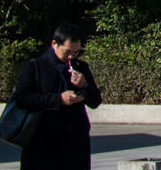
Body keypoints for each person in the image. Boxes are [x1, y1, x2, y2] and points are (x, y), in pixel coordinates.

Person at [12, 22, 102, 170]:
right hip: (42, 142)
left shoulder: (80, 67)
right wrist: (58, 99)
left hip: (75, 143)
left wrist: (85, 86)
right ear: (54, 44)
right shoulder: (34, 67)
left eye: (76, 52)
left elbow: (95, 101)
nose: (71, 56)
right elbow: (22, 98)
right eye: (67, 52)